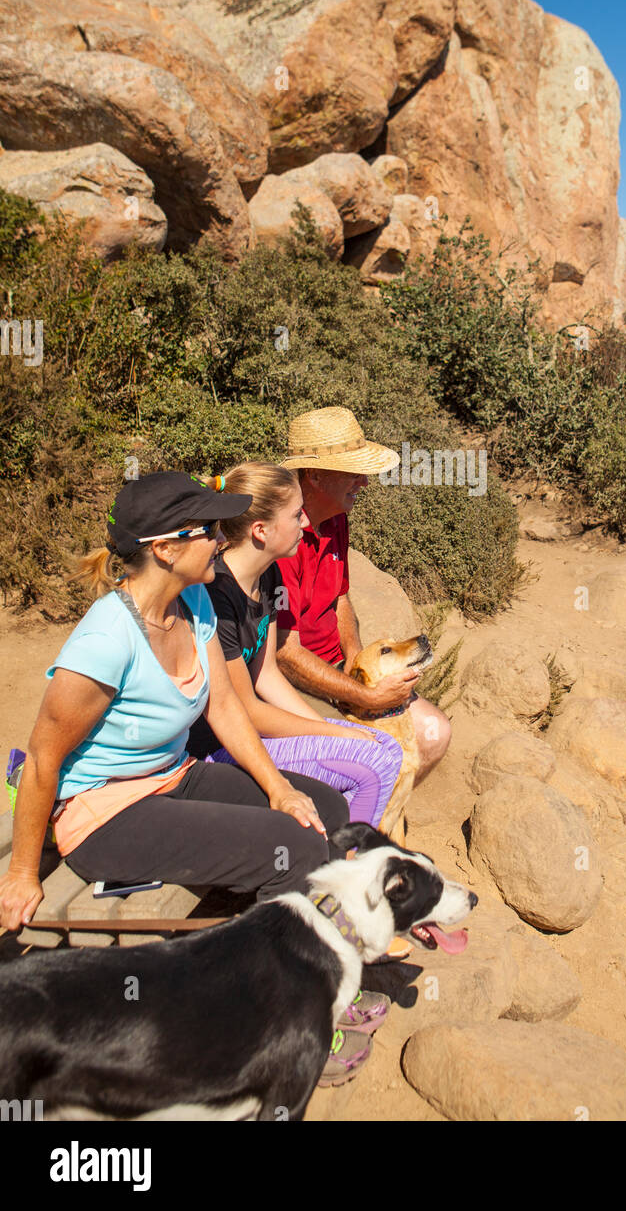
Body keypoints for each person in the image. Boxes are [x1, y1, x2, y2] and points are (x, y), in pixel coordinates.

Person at [0, 472, 384, 1082]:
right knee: (292, 850)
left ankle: (273, 951)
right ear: (166, 548)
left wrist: (280, 788)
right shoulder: (105, 640)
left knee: (325, 811)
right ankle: (280, 1021)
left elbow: (226, 708)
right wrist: (22, 874)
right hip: (105, 814)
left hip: (170, 776)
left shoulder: (195, 601)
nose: (220, 537)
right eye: (207, 529)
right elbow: (43, 760)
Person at [186, 462, 404, 830]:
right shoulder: (218, 599)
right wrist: (335, 732)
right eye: (295, 515)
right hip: (219, 747)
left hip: (249, 729)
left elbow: (267, 675)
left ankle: (334, 849)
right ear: (260, 530)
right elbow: (246, 710)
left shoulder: (267, 575)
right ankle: (346, 864)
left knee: (387, 748)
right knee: (373, 762)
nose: (305, 524)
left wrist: (322, 726)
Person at [274, 408, 452, 781]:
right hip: (291, 681)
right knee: (366, 755)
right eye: (353, 472)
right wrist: (363, 696)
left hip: (339, 670)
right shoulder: (281, 536)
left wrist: (358, 663)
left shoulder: (336, 518)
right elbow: (285, 654)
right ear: (316, 474)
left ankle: (376, 818)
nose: (364, 483)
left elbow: (340, 599)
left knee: (434, 733)